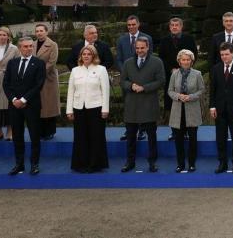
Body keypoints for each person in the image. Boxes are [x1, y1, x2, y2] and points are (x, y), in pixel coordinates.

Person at [120, 37, 166, 173]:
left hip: (149, 104)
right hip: (132, 105)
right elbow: (122, 81)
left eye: (142, 48)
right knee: (130, 137)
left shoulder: (157, 62)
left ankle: (152, 162)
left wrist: (144, 88)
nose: (139, 50)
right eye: (137, 48)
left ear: (148, 47)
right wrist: (131, 85)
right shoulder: (128, 63)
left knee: (152, 137)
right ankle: (130, 162)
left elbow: (161, 81)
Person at [3, 36, 46, 175]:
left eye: (30, 46)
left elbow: (38, 85)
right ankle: (19, 164)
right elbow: (6, 84)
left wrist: (24, 99)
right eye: (25, 46)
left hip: (31, 105)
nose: (28, 49)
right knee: (17, 136)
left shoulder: (39, 63)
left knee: (34, 136)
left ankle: (34, 164)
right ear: (20, 48)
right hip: (14, 106)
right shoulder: (12, 63)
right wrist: (14, 99)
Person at [66, 45, 110, 173]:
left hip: (96, 108)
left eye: (89, 54)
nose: (86, 56)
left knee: (96, 137)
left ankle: (95, 164)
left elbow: (105, 91)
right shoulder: (75, 71)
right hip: (78, 108)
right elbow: (70, 92)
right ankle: (81, 164)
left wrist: (105, 109)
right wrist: (69, 110)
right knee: (80, 137)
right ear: (80, 56)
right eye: (84, 54)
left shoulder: (101, 70)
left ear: (94, 56)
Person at [209, 42, 233, 174]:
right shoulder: (215, 69)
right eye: (222, 55)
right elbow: (212, 90)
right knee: (220, 138)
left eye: (226, 54)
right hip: (219, 110)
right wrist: (212, 106)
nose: (224, 57)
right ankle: (222, 163)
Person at [117, 15, 154, 140]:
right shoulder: (121, 40)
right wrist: (127, 74)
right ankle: (129, 131)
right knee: (128, 106)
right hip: (127, 80)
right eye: (129, 25)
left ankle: (142, 131)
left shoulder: (147, 38)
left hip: (143, 79)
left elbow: (150, 58)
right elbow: (119, 59)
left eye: (133, 24)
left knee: (143, 105)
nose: (131, 27)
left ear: (138, 24)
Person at [168, 49, 205, 173]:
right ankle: (180, 164)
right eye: (183, 59)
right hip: (177, 111)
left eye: (188, 59)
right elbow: (170, 91)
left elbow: (201, 90)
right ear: (179, 61)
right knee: (178, 140)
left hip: (192, 110)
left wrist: (191, 97)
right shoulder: (174, 74)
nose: (185, 62)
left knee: (192, 139)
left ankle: (192, 164)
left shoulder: (197, 74)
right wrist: (178, 96)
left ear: (192, 61)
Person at [32, 23, 60, 141]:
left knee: (49, 107)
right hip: (33, 80)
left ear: (46, 32)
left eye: (41, 31)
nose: (39, 33)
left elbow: (51, 63)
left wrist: (38, 73)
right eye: (37, 31)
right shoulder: (32, 45)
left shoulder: (53, 45)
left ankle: (50, 131)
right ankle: (40, 131)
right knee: (38, 107)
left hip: (48, 79)